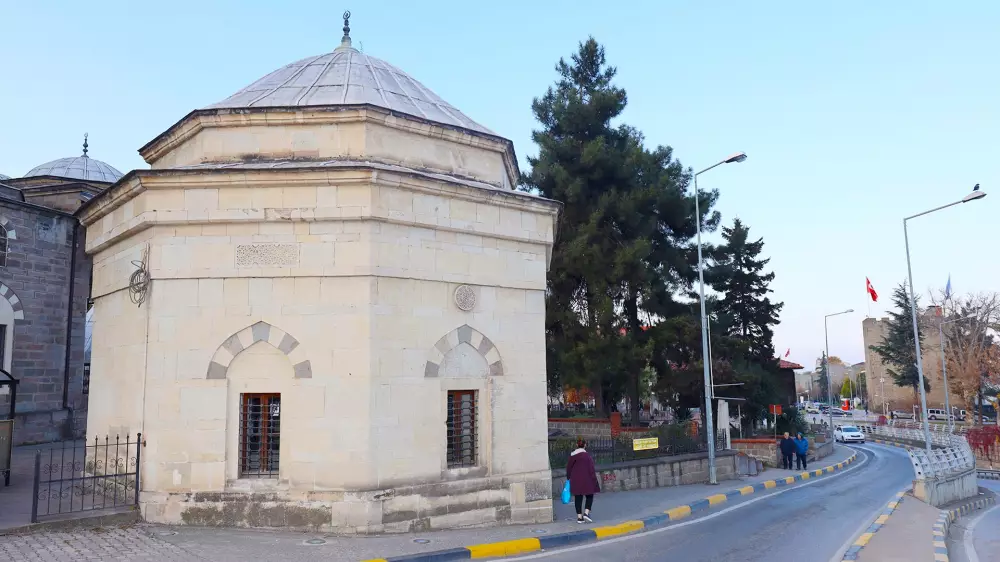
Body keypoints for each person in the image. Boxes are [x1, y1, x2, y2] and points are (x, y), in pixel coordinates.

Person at [565, 439, 600, 523]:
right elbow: (591, 469)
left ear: (577, 445)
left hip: (575, 479)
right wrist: (594, 480)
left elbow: (568, 468)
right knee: (589, 495)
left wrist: (568, 478)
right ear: (585, 445)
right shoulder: (587, 456)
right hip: (587, 479)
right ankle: (586, 513)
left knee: (578, 497)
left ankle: (579, 517)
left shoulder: (572, 456)